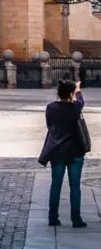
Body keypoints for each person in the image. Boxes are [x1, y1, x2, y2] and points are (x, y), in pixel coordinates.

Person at [39, 78, 90, 227]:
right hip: (75, 151)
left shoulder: (50, 108)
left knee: (56, 185)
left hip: (57, 151)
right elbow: (81, 101)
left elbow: (50, 126)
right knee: (75, 186)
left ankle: (53, 218)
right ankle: (76, 219)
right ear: (71, 94)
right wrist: (78, 89)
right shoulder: (76, 107)